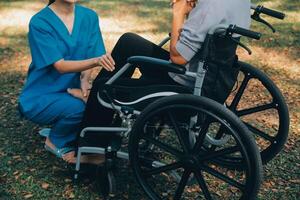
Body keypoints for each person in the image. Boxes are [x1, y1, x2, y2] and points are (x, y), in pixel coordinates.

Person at [70, 0, 251, 148]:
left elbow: (178, 57)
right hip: (212, 76)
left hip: (185, 81)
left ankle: (91, 147)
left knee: (104, 86)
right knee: (129, 42)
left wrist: (178, 13)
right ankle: (97, 117)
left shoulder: (210, 6)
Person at [18, 0, 116, 163]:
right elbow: (61, 66)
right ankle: (55, 140)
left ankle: (65, 124)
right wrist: (96, 61)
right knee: (79, 107)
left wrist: (85, 80)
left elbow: (89, 52)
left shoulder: (89, 16)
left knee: (96, 102)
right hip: (41, 95)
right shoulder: (40, 22)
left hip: (70, 89)